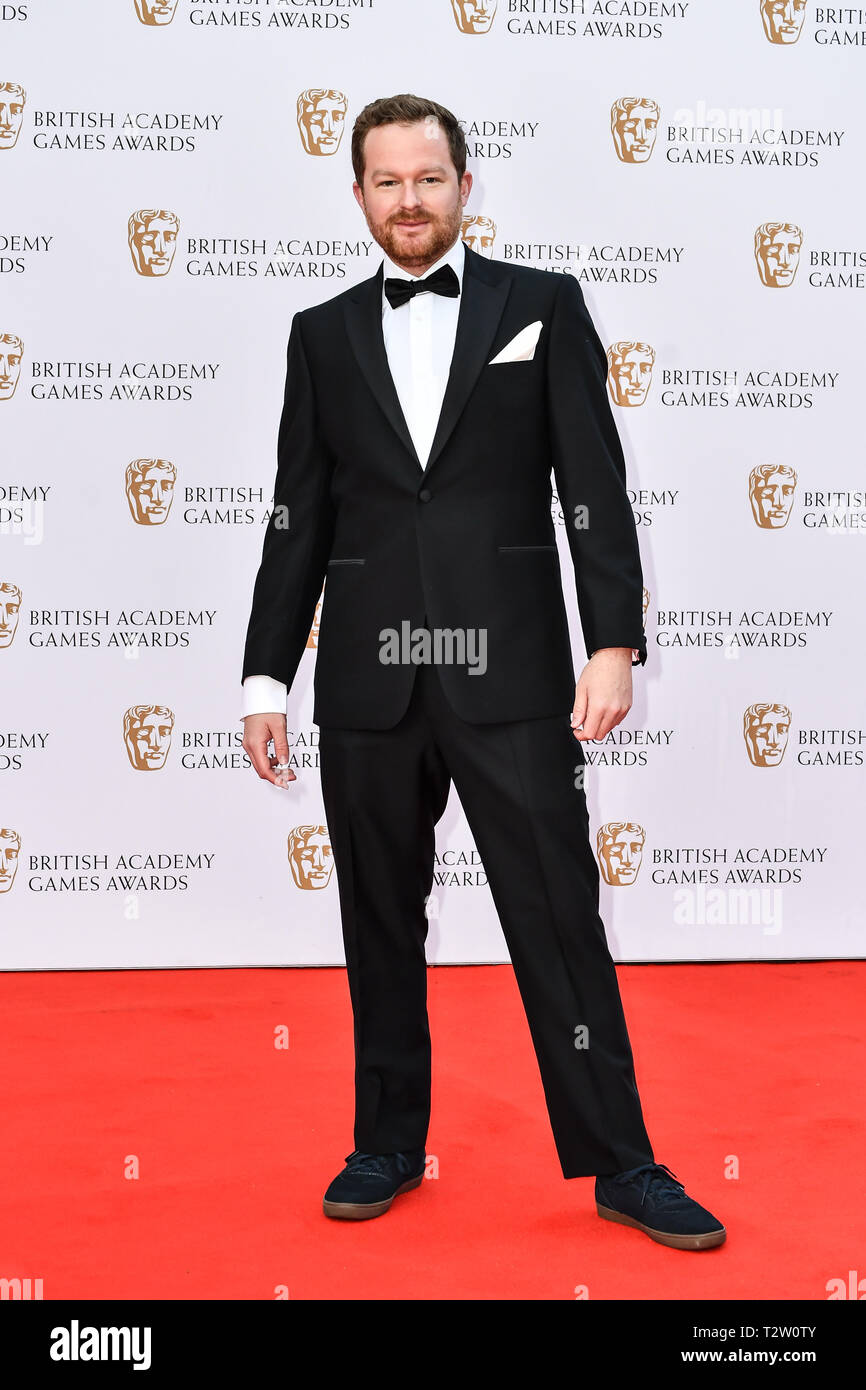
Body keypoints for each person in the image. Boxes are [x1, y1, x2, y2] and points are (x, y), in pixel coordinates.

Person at [240, 93, 725, 1252]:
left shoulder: (541, 308)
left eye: (427, 178)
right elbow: (295, 517)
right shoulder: (319, 333)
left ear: (464, 183)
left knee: (559, 918)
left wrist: (609, 641)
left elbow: (591, 489)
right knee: (376, 922)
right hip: (367, 682)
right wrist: (265, 679)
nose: (408, 201)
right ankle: (386, 1141)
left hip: (511, 678)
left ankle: (622, 1162)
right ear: (356, 195)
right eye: (386, 182)